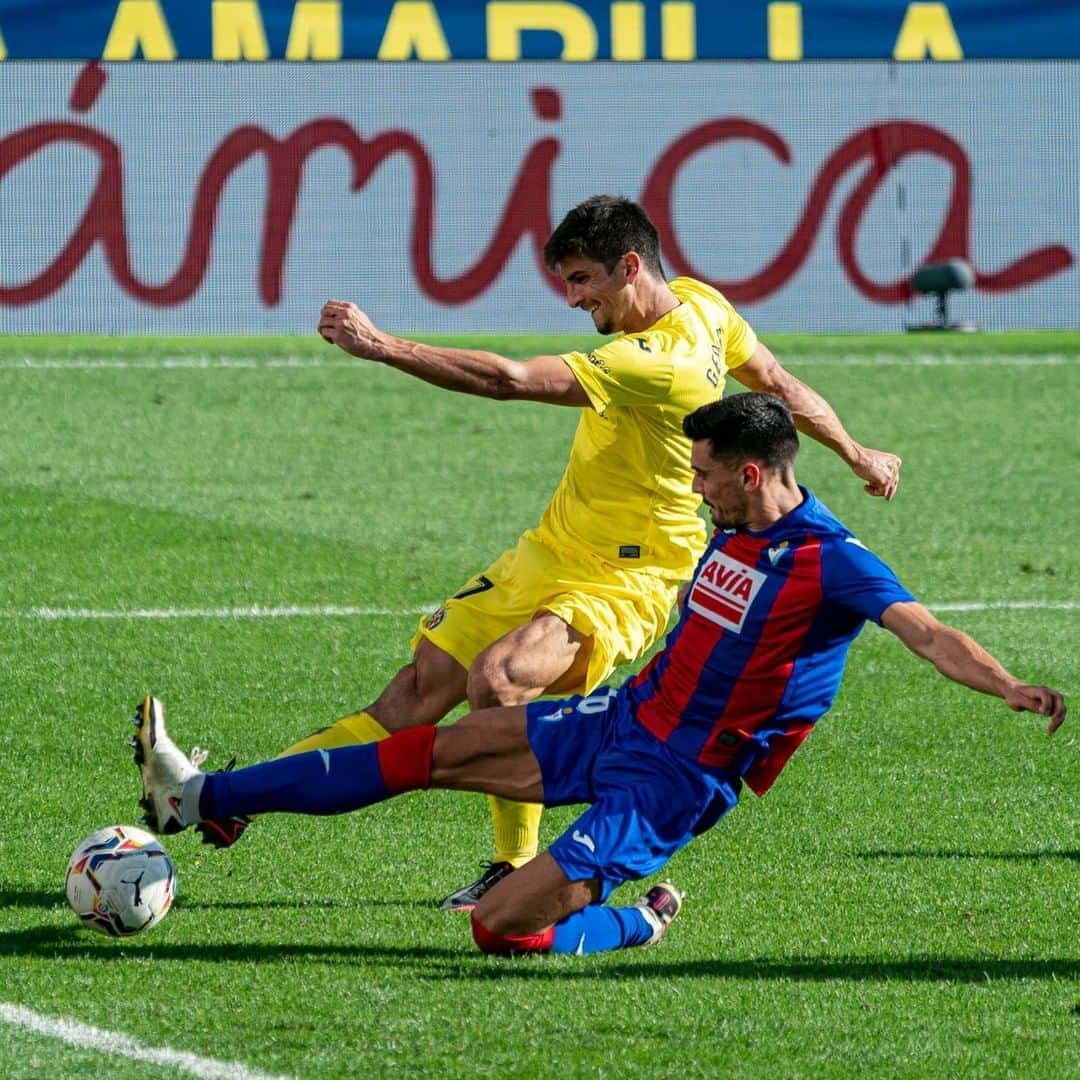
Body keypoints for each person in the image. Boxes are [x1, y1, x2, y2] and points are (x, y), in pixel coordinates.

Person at [132, 392, 1065, 957]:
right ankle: (207, 797)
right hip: (621, 720)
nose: (692, 490)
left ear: (750, 473)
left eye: (703, 475)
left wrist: (1009, 684)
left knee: (500, 930)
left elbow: (928, 634)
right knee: (426, 751)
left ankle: (639, 921)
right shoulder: (732, 523)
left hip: (672, 781)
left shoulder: (832, 561)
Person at [197, 196, 903, 912]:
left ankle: (513, 866)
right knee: (417, 693)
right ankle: (233, 799)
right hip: (552, 549)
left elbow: (509, 380)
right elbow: (778, 385)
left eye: (581, 280)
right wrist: (856, 452)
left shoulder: (657, 361)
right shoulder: (702, 304)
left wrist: (385, 346)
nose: (573, 299)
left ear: (630, 267)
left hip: (631, 575)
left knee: (501, 680)